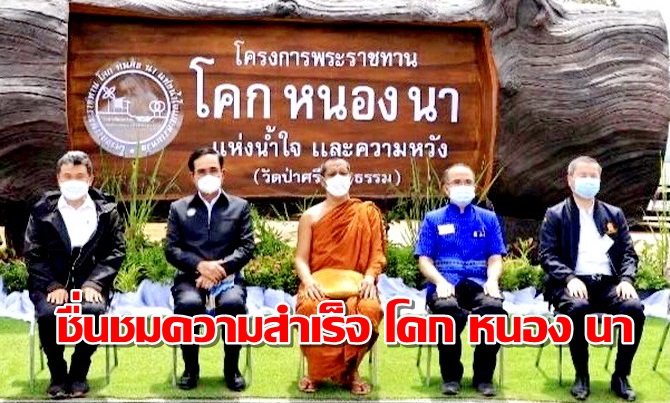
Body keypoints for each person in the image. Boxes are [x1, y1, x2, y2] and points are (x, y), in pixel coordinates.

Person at [539, 156, 644, 401]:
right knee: (578, 309)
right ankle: (581, 376)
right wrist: (569, 278)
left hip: (608, 284)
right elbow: (547, 255)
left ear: (600, 179)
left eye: (593, 176)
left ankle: (621, 376)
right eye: (582, 176)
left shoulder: (614, 214)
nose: (588, 180)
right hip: (571, 283)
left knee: (634, 309)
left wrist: (626, 280)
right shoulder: (556, 214)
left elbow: (629, 253)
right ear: (570, 180)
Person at [25, 151, 125, 398]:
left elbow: (116, 250)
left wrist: (95, 283)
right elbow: (33, 253)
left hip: (91, 282)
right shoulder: (42, 210)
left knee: (93, 311)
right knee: (49, 314)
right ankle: (58, 374)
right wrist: (53, 285)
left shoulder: (107, 210)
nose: (74, 181)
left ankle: (79, 372)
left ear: (90, 178)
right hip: (50, 282)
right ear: (58, 178)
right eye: (68, 176)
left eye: (79, 176)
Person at [165, 147, 255, 391]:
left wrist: (218, 271)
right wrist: (200, 266)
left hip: (229, 277)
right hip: (189, 278)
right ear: (192, 176)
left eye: (213, 170)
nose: (208, 175)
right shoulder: (178, 208)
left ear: (223, 174)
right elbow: (171, 249)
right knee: (188, 305)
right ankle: (191, 369)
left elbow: (246, 247)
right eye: (201, 171)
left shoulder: (239, 207)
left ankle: (231, 369)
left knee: (233, 304)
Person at [294, 158, 386, 395]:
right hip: (319, 283)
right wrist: (308, 281)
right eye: (332, 174)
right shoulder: (310, 216)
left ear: (351, 177)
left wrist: (369, 278)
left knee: (368, 310)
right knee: (310, 309)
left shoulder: (366, 213)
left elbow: (377, 255)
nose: (338, 178)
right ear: (322, 180)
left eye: (343, 173)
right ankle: (316, 372)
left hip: (358, 284)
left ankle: (350, 371)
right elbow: (300, 259)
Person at [414, 163, 507, 397]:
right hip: (445, 283)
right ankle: (451, 377)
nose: (463, 186)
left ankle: (483, 377)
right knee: (447, 312)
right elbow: (424, 260)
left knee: (494, 310)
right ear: (445, 189)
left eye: (468, 182)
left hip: (479, 283)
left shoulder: (488, 219)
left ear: (475, 187)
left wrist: (492, 280)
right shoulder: (433, 219)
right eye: (457, 182)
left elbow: (495, 257)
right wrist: (439, 281)